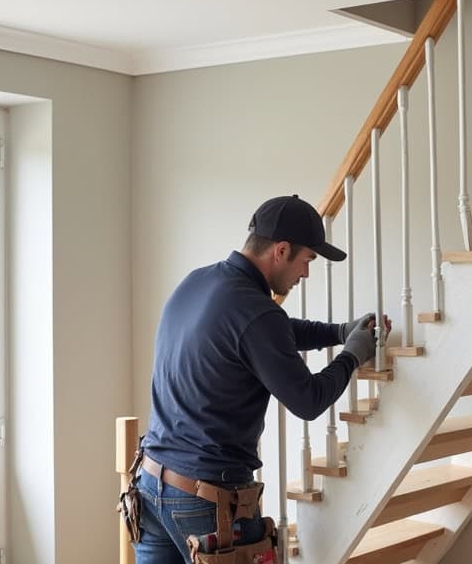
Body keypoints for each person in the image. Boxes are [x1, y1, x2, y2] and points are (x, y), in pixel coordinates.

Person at [134, 194, 387, 564]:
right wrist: (352, 356)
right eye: (307, 260)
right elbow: (308, 400)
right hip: (207, 502)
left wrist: (340, 331)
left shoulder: (198, 282)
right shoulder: (256, 312)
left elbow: (268, 331)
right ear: (281, 250)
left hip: (153, 484)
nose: (306, 273)